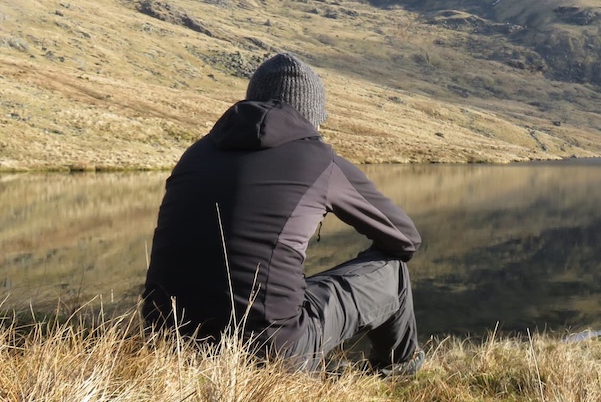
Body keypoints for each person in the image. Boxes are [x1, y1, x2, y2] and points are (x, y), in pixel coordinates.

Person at [142, 52, 424, 376]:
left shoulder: (195, 154)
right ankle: (397, 367)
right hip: (271, 355)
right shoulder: (318, 159)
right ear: (311, 116)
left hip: (167, 342)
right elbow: (406, 240)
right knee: (392, 271)